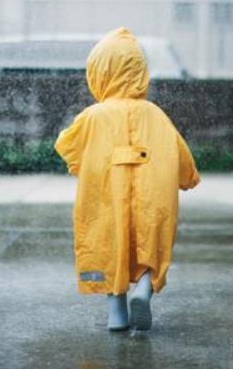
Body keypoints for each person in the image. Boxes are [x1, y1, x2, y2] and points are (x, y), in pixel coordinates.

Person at [54, 27, 200, 331]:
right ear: (139, 72)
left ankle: (116, 313)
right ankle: (144, 289)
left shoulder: (93, 116)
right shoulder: (156, 115)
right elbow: (180, 153)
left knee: (108, 243)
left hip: (106, 195)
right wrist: (187, 178)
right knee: (149, 242)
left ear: (99, 73)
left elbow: (68, 148)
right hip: (153, 195)